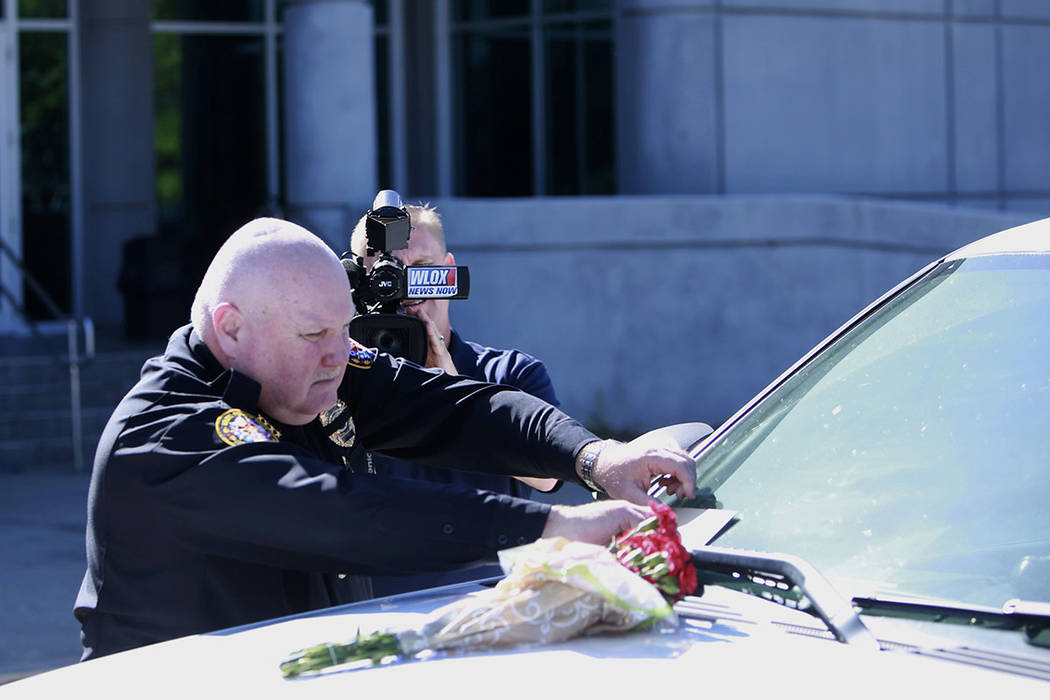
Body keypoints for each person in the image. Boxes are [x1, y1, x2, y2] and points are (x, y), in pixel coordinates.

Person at [74, 217, 696, 660]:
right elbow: (341, 512)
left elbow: (453, 407)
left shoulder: (310, 368)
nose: (338, 356)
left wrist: (597, 457)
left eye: (346, 330)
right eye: (313, 333)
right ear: (230, 329)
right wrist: (549, 529)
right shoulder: (165, 435)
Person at [350, 203, 566, 596]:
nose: (406, 290)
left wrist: (453, 390)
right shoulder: (333, 383)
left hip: (486, 606)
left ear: (448, 270)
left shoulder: (511, 375)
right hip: (368, 615)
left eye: (420, 268)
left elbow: (549, 473)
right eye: (387, 275)